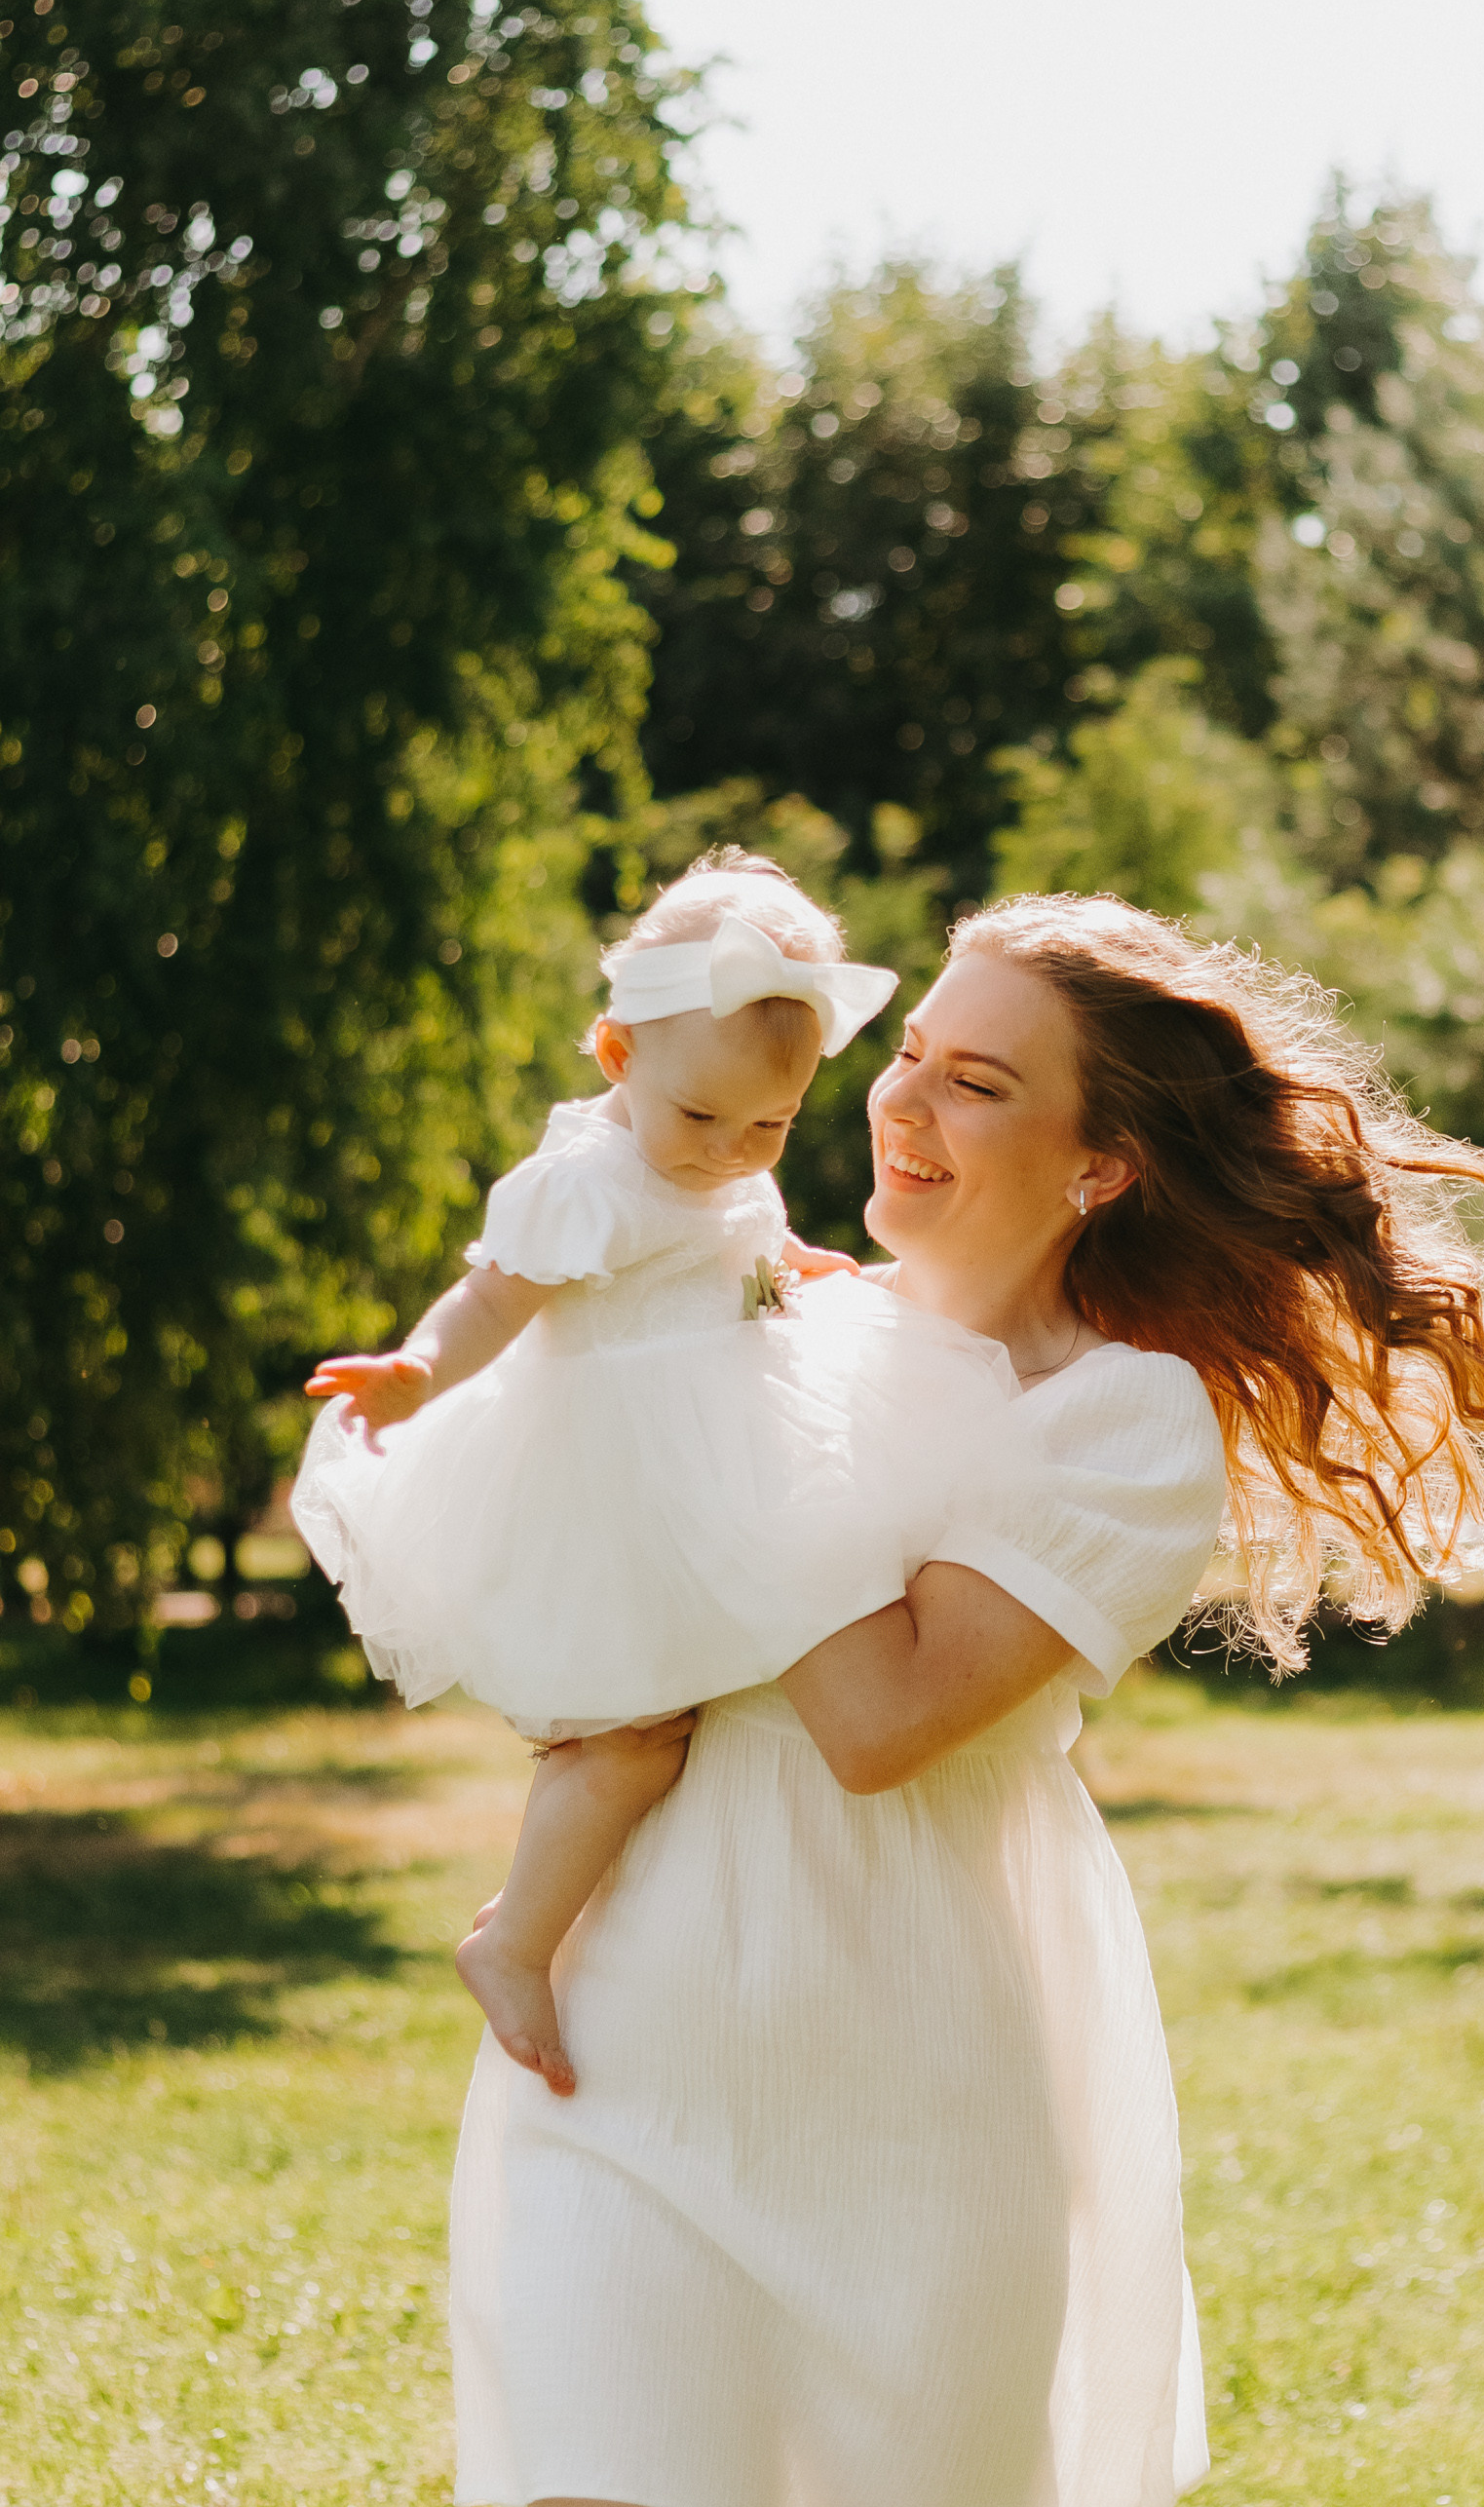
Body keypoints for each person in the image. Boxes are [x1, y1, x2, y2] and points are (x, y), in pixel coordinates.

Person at [448, 890, 1484, 2507]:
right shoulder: (781, 1315)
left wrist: (699, 1389)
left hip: (916, 2109)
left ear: (1101, 1166)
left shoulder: (1123, 1422)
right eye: (906, 1054)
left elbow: (879, 1716)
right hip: (628, 2045)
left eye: (975, 1081)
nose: (899, 1105)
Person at [293, 848, 1011, 2097]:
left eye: (769, 1126)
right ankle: (513, 1940)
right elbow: (491, 1298)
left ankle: (623, 1924)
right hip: (616, 1483)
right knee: (630, 1739)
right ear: (620, 1058)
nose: (729, 1151)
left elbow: (750, 1237)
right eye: (700, 1119)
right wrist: (415, 1371)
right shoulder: (587, 1182)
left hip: (726, 1456)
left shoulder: (717, 1149)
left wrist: (804, 1268)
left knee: (713, 1705)